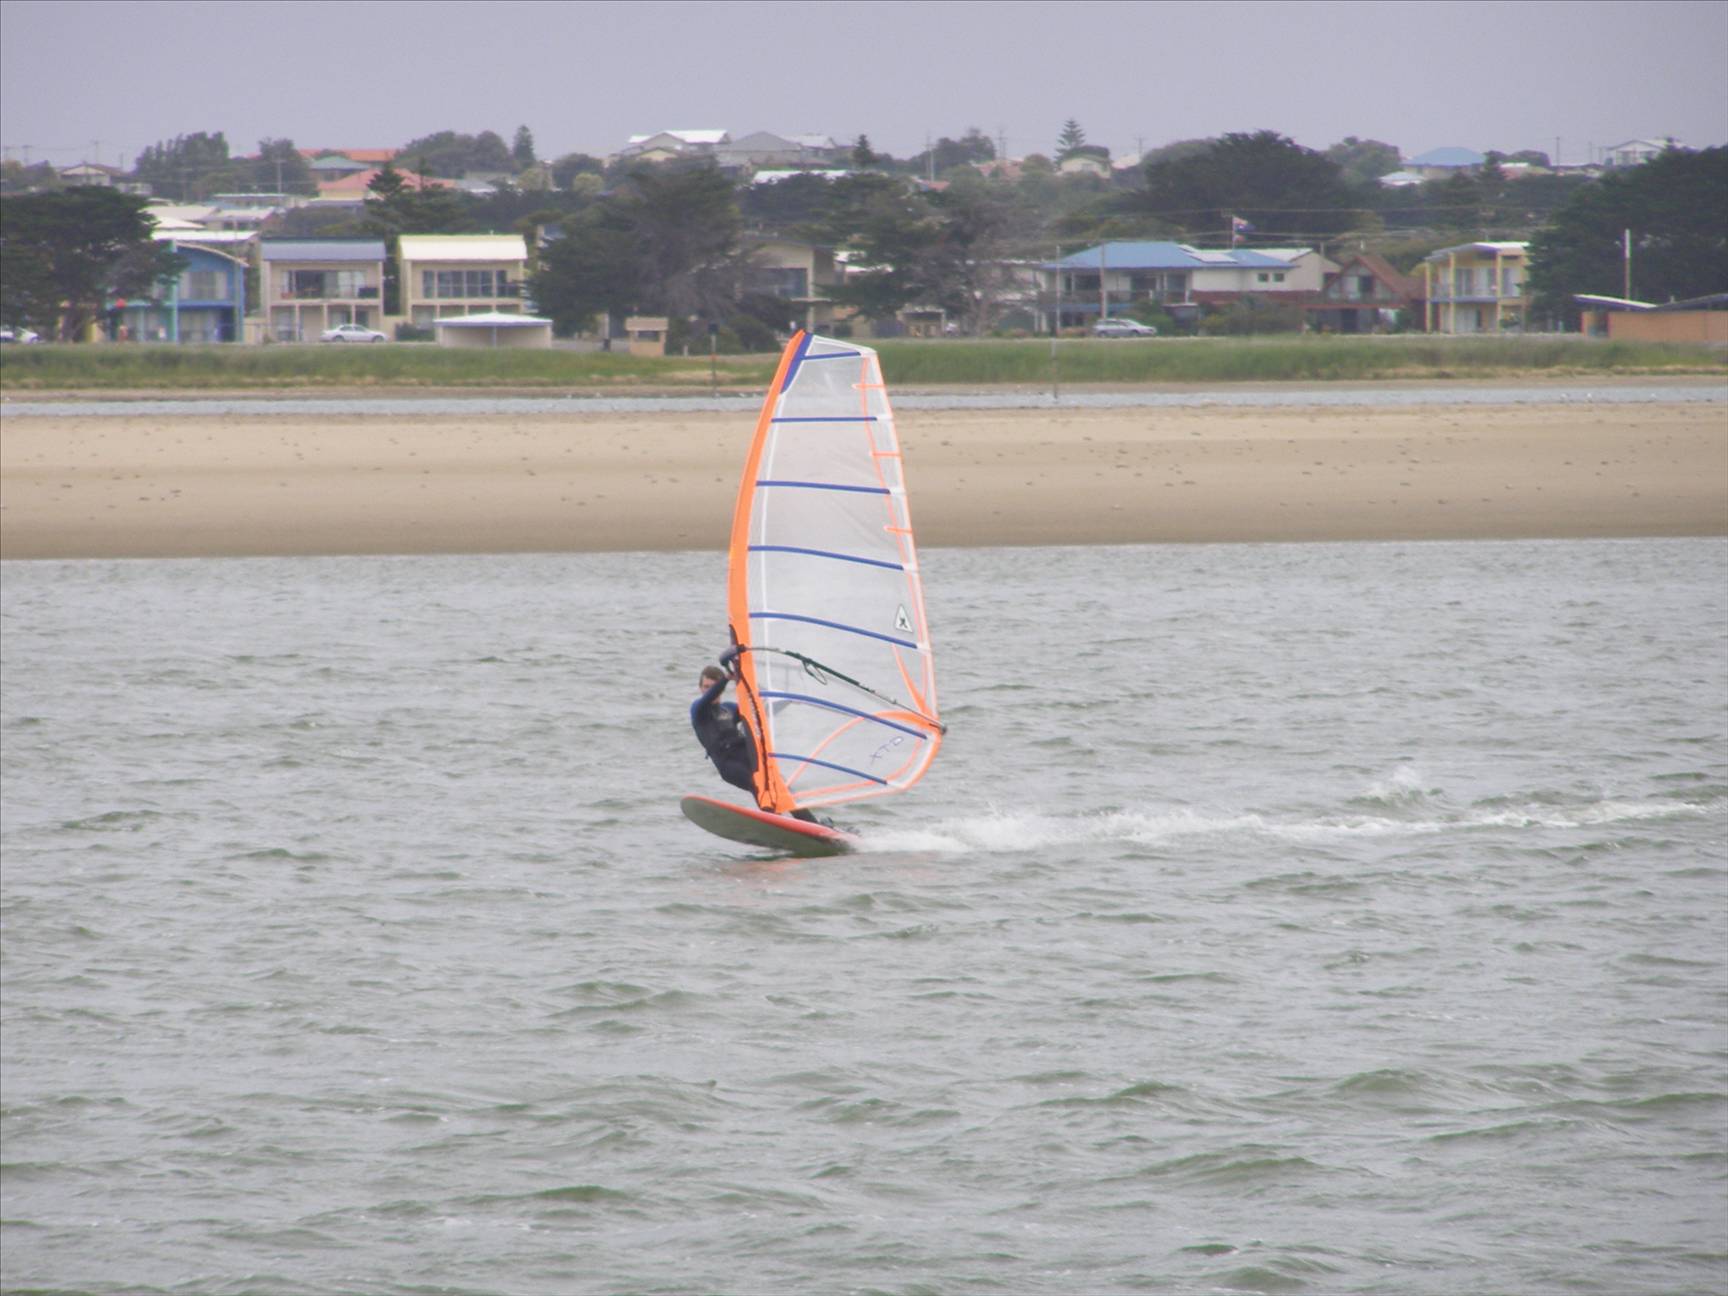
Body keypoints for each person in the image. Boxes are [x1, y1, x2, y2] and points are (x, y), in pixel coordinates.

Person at [690, 646, 828, 825]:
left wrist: (787, 700)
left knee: (781, 785)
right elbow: (708, 698)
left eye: (712, 686)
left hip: (746, 753)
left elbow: (760, 710)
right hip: (727, 763)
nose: (709, 690)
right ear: (701, 688)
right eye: (706, 687)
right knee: (757, 783)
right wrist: (726, 679)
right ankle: (775, 823)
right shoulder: (698, 710)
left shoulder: (729, 708)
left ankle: (812, 824)